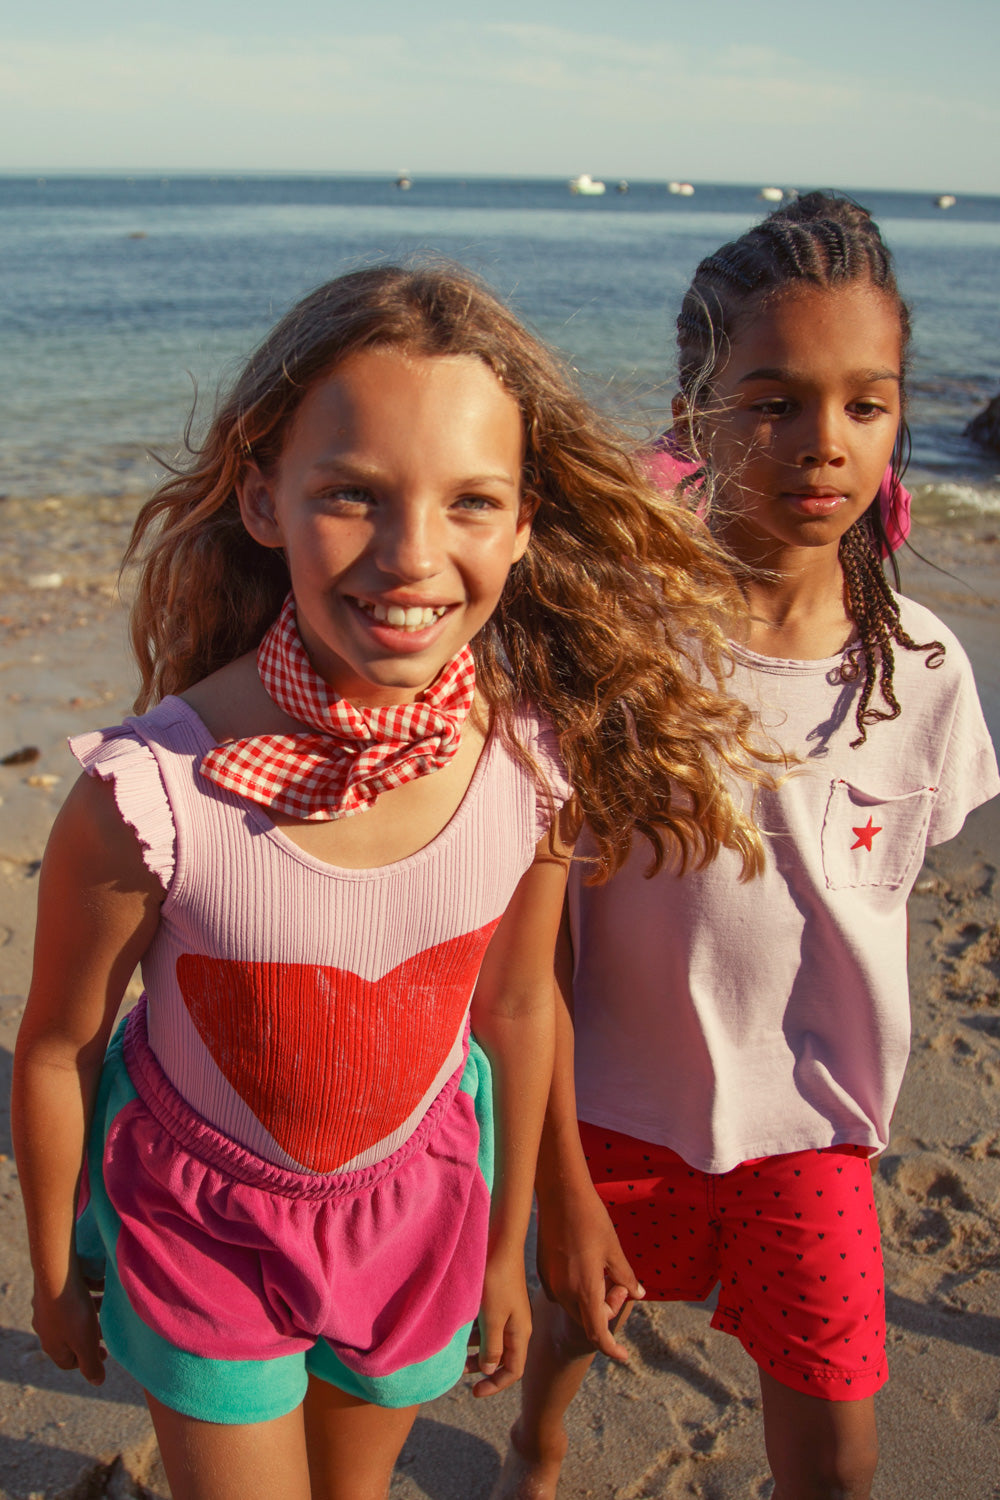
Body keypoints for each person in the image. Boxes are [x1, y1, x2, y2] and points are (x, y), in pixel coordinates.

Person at [12, 264, 769, 1500]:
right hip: (198, 1221)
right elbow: (59, 1046)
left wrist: (503, 1248)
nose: (413, 555)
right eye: (352, 494)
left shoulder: (530, 767)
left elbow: (516, 1008)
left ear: (522, 523)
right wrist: (52, 1268)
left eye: (471, 501)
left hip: (419, 1213)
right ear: (262, 498)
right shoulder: (149, 794)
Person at [494, 195, 1000, 1500]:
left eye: (866, 404)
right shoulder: (615, 649)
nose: (824, 443)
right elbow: (541, 947)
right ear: (693, 413)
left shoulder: (924, 671)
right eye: (772, 401)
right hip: (610, 1115)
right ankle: (538, 1444)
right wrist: (559, 1183)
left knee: (839, 1458)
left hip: (813, 1139)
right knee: (573, 1322)